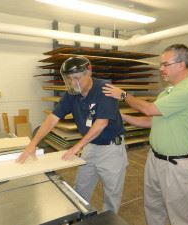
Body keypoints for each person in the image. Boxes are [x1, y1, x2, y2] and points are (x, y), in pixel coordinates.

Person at [102, 44, 188, 225]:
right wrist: (121, 116)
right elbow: (151, 121)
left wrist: (123, 95)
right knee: (153, 207)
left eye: (165, 64)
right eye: (160, 65)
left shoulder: (187, 92)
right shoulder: (166, 92)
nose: (161, 69)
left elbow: (148, 110)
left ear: (181, 65)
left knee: (181, 216)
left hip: (176, 165)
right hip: (155, 160)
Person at [17, 56, 128, 213]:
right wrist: (32, 144)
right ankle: (79, 217)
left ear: (88, 72)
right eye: (69, 79)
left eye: (76, 78)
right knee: (80, 189)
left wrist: (77, 146)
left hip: (111, 150)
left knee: (111, 195)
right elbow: (52, 118)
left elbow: (101, 123)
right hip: (91, 146)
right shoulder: (72, 93)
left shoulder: (105, 89)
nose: (72, 83)